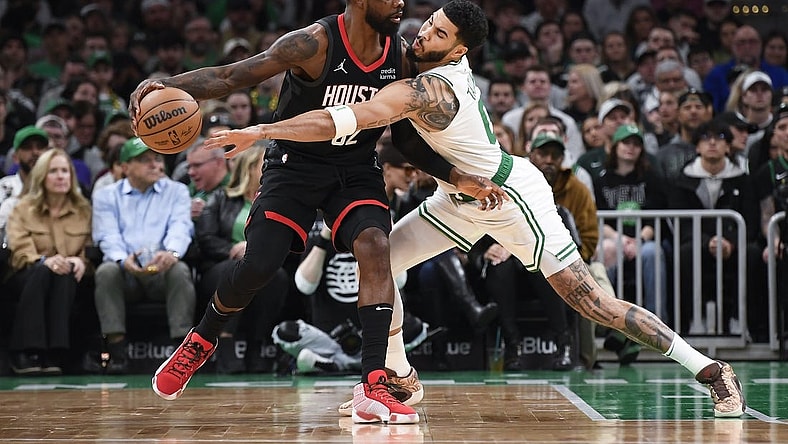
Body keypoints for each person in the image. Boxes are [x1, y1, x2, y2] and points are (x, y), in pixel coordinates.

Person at [206, 0, 746, 418]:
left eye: (440, 33)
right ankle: (399, 379)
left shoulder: (433, 90)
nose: (424, 33)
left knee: (592, 303)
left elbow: (353, 118)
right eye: (429, 22)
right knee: (381, 262)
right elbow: (399, 145)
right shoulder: (411, 63)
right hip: (459, 194)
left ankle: (710, 369)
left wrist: (261, 130)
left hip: (510, 198)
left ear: (459, 51)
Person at [129, 0, 503, 424]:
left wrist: (457, 175)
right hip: (294, 167)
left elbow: (405, 140)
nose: (400, 2)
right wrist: (162, 85)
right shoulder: (311, 44)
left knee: (376, 246)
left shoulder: (400, 55)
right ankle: (201, 340)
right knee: (259, 266)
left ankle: (374, 385)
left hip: (355, 170)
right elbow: (230, 76)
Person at [91, 137, 196, 374]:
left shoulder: (177, 191)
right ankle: (117, 351)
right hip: (125, 274)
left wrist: (171, 253)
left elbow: (181, 227)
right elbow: (106, 235)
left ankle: (182, 352)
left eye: (157, 158)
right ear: (125, 167)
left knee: (180, 269)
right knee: (106, 270)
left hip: (162, 271)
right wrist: (122, 259)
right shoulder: (106, 196)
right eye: (144, 160)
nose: (154, 164)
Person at [194, 145, 288, 374]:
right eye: (263, 165)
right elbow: (205, 238)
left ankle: (256, 347)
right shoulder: (220, 198)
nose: (270, 169)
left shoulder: (278, 199)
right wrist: (232, 249)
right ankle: (225, 346)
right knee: (238, 270)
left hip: (264, 266)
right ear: (248, 169)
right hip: (220, 265)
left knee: (276, 275)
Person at [5, 148, 92, 375]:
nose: (61, 176)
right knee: (45, 272)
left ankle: (55, 353)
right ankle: (28, 351)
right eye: (54, 171)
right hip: (27, 273)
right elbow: (19, 249)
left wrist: (79, 260)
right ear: (42, 176)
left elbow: (90, 247)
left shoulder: (83, 210)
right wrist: (44, 260)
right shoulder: (23, 208)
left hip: (67, 277)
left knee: (65, 273)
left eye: (65, 171)